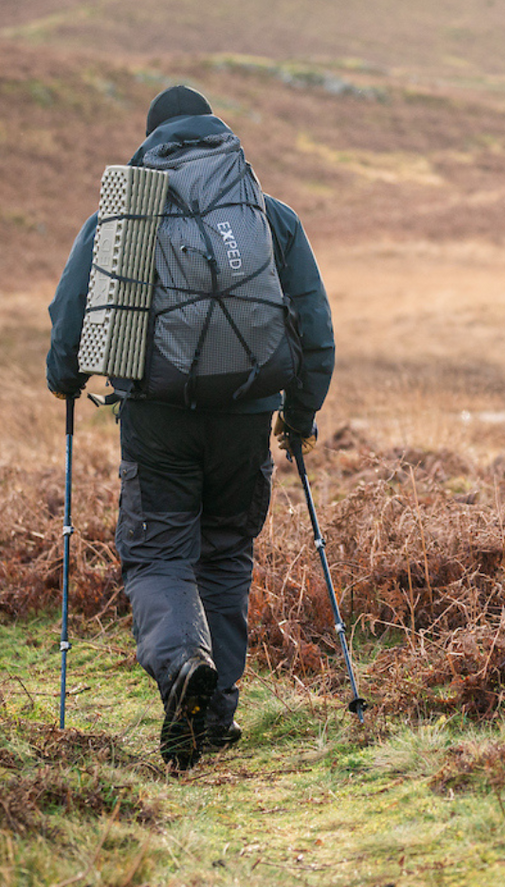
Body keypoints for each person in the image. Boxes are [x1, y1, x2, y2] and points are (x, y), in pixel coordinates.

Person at [46, 85, 335, 770]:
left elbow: (71, 306)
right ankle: (216, 717)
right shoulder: (267, 213)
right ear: (215, 133)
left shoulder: (124, 215)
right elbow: (314, 326)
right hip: (246, 414)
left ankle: (182, 668)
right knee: (227, 553)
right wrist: (300, 416)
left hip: (157, 416)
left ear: (154, 140)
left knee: (157, 554)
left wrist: (65, 377)